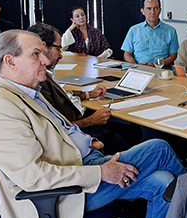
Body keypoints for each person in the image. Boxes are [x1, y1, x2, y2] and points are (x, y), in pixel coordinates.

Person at [0, 30, 185, 218]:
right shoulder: (0, 106)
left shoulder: (25, 92)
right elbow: (34, 177)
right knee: (159, 148)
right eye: (36, 54)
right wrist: (102, 172)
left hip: (82, 166)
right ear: (10, 61)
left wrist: (87, 143)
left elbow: (61, 133)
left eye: (44, 53)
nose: (47, 60)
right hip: (60, 194)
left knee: (163, 182)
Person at [27, 22, 130, 150]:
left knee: (130, 129)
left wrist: (87, 94)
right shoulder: (37, 80)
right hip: (77, 132)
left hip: (80, 120)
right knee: (128, 137)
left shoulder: (47, 73)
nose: (61, 55)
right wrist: (91, 120)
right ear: (43, 47)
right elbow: (57, 127)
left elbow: (59, 94)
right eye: (58, 49)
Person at [121, 0, 179, 66]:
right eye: (149, 8)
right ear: (142, 11)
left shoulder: (171, 31)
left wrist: (156, 65)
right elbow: (127, 54)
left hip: (160, 70)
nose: (152, 12)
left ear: (160, 10)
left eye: (156, 8)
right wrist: (137, 66)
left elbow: (173, 55)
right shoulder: (134, 30)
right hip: (137, 69)